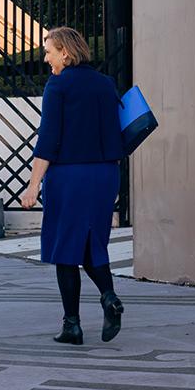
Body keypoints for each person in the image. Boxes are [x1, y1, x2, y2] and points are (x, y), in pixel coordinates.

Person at [20, 26, 126, 345]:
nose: (45, 56)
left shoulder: (58, 85)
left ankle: (72, 325)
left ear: (65, 53)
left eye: (49, 50)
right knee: (93, 242)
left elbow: (48, 140)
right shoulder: (106, 84)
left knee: (66, 249)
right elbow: (118, 132)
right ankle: (109, 296)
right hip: (105, 175)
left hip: (69, 177)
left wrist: (33, 184)